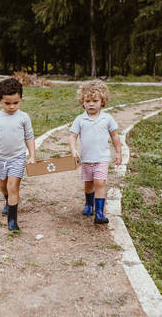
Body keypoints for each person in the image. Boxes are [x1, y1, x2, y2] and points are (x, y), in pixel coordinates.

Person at [0, 78, 36, 232]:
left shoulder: (24, 117)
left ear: (21, 99)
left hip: (17, 158)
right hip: (0, 158)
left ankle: (12, 221)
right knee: (3, 185)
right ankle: (7, 202)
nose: (12, 107)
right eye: (7, 103)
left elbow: (29, 137)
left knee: (13, 186)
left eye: (16, 103)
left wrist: (32, 156)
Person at [69, 80, 122, 224]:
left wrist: (118, 152)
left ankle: (99, 213)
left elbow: (115, 136)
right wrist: (73, 149)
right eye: (87, 101)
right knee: (89, 184)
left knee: (100, 183)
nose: (91, 104)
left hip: (102, 158)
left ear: (102, 101)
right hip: (86, 159)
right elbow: (73, 136)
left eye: (95, 100)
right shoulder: (80, 119)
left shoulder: (107, 118)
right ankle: (88, 204)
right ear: (82, 102)